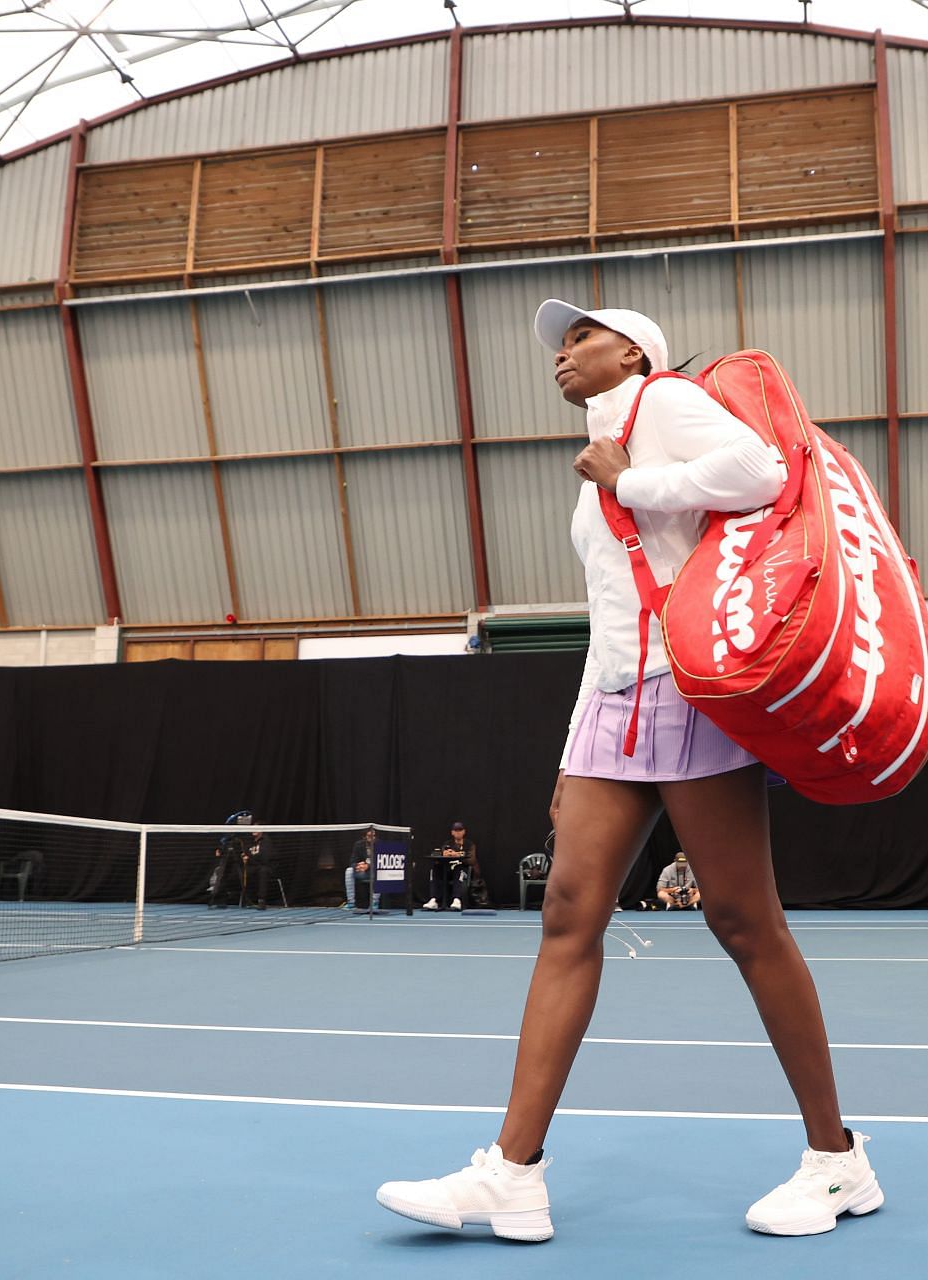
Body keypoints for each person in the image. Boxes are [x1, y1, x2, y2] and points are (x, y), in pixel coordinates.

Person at [376, 302, 879, 1241]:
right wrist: (574, 747)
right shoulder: (601, 454)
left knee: (743, 920)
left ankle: (839, 1160)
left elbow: (762, 474)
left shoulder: (665, 403)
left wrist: (632, 478)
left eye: (582, 336)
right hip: (616, 704)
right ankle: (513, 1176)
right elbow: (613, 611)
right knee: (568, 912)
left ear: (633, 350)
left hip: (692, 691)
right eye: (560, 344)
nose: (563, 352)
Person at [423, 821, 478, 911]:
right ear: (452, 832)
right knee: (435, 869)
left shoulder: (469, 844)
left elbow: (472, 860)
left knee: (458, 868)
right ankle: (434, 899)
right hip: (448, 870)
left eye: (460, 830)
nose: (458, 832)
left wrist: (457, 855)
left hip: (463, 870)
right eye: (456, 830)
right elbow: (440, 857)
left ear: (464, 832)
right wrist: (444, 854)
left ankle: (457, 899)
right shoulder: (447, 844)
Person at [345, 826, 380, 911]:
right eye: (369, 836)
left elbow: (381, 862)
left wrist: (369, 866)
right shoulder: (358, 845)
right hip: (363, 872)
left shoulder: (380, 844)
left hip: (375, 872)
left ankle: (374, 902)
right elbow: (352, 860)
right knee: (349, 871)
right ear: (364, 836)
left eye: (374, 836)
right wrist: (359, 865)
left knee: (379, 871)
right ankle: (351, 902)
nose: (372, 838)